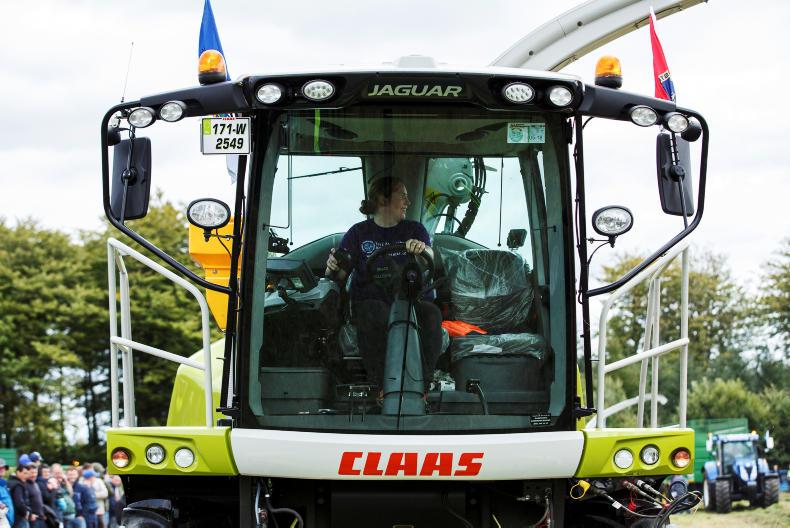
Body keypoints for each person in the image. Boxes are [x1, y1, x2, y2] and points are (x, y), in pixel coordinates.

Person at [325, 176, 443, 389]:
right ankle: (381, 387)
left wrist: (421, 250)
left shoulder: (415, 230)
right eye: (403, 196)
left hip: (411, 301)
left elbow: (429, 259)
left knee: (432, 314)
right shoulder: (358, 233)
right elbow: (339, 274)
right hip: (372, 303)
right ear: (382, 198)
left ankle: (423, 385)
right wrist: (332, 266)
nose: (408, 202)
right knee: (373, 312)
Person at [7, 457, 32, 528]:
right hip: (19, 519)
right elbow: (19, 503)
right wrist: (26, 513)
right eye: (24, 473)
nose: (26, 476)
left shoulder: (10, 482)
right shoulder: (18, 485)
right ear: (18, 472)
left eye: (27, 474)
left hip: (12, 518)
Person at [0, 458, 13, 528]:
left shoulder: (4, 484)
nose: (2, 469)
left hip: (7, 522)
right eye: (0, 467)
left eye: (3, 467)